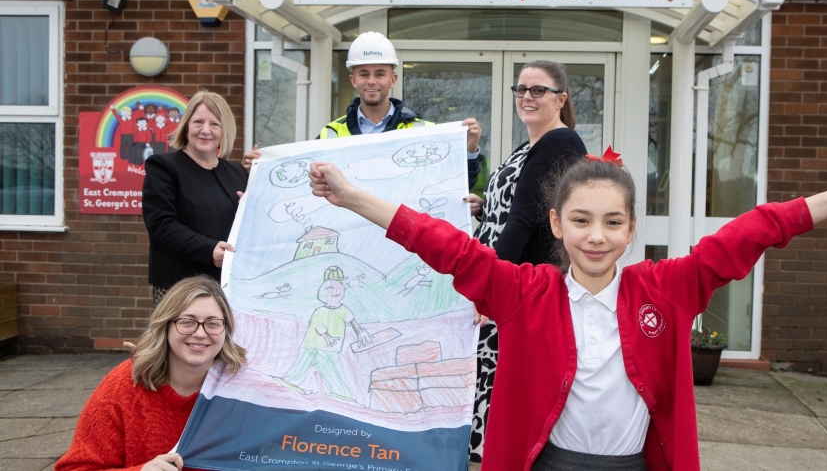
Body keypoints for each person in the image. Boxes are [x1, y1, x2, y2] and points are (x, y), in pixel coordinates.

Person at [308, 155, 827, 471]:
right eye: (582, 220)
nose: (596, 236)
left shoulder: (666, 289)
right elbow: (442, 243)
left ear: (631, 231)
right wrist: (352, 195)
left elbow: (757, 230)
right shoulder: (522, 293)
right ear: (556, 225)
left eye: (612, 222)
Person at [465, 59, 587, 462]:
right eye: (521, 89)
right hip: (508, 278)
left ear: (560, 99)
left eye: (538, 90)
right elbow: (512, 211)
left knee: (504, 389)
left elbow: (523, 222)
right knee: (493, 385)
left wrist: (488, 285)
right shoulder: (531, 144)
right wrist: (484, 207)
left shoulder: (561, 142)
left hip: (519, 287)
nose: (527, 97)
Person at [241, 31, 483, 189]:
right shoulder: (330, 134)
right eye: (364, 73)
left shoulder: (422, 131)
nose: (372, 81)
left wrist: (470, 150)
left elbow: (460, 184)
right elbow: (303, 186)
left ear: (393, 79)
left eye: (380, 73)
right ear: (353, 80)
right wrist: (261, 171)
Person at [55, 275, 246, 471]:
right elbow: (74, 468)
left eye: (213, 323)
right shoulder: (123, 386)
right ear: (165, 325)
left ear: (226, 330)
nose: (200, 333)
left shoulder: (246, 389)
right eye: (187, 322)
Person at [142, 91, 247, 307]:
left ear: (224, 130)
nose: (205, 130)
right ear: (187, 126)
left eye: (214, 124)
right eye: (198, 121)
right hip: (180, 290)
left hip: (228, 290)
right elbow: (162, 225)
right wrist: (209, 249)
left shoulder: (238, 173)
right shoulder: (164, 167)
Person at [274, 266, 372, 399]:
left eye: (338, 287)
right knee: (304, 364)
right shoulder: (320, 311)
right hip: (313, 345)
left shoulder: (343, 310)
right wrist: (326, 336)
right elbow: (317, 326)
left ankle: (342, 393)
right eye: (329, 289)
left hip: (330, 348)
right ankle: (293, 381)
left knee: (332, 370)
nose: (334, 291)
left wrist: (360, 332)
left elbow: (352, 322)